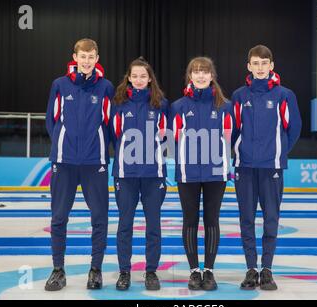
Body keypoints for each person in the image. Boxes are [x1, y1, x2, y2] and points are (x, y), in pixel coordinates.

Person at [44, 38, 114, 291]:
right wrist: (64, 146)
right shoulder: (60, 85)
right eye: (82, 56)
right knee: (59, 217)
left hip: (94, 163)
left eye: (91, 56)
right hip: (64, 163)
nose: (86, 61)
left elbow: (109, 124)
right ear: (75, 57)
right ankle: (58, 270)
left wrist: (98, 150)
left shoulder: (105, 87)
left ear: (97, 58)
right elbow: (51, 121)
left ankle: (95, 270)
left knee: (99, 217)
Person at [231, 45, 302, 290]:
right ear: (248, 66)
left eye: (264, 63)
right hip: (245, 168)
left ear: (272, 65)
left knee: (271, 219)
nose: (260, 68)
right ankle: (251, 269)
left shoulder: (285, 95)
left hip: (271, 168)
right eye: (255, 63)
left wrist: (277, 153)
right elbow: (233, 131)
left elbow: (294, 129)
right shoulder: (240, 96)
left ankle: (267, 269)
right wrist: (240, 155)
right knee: (247, 219)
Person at [169, 57, 233, 291]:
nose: (200, 76)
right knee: (190, 221)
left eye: (205, 72)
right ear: (190, 76)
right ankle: (194, 271)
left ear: (212, 76)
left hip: (216, 173)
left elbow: (231, 138)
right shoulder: (178, 107)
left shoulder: (225, 106)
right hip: (187, 173)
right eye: (196, 72)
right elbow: (171, 140)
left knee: (211, 221)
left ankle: (210, 271)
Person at [111, 57, 169, 291]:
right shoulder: (118, 103)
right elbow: (111, 134)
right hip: (125, 175)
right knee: (125, 223)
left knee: (153, 225)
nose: (138, 80)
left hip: (153, 175)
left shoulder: (161, 104)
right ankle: (124, 271)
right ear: (128, 78)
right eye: (134, 76)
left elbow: (168, 138)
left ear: (150, 79)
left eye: (143, 76)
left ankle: (151, 272)